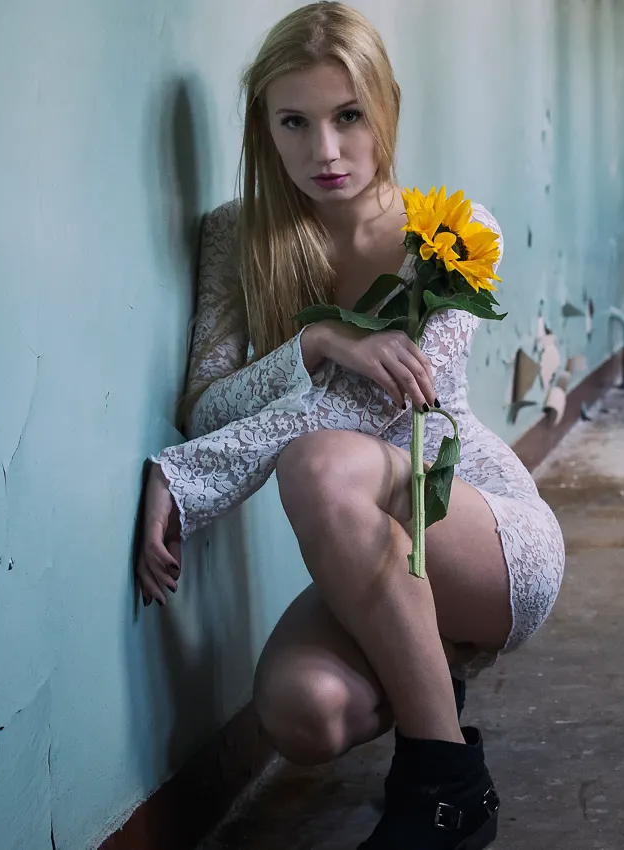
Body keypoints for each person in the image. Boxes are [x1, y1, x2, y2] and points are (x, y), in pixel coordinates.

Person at [133, 3, 566, 848]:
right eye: (294, 122)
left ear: (386, 108)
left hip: (480, 519)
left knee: (319, 463)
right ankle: (429, 676)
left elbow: (383, 412)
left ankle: (446, 784)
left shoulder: (451, 235)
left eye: (348, 117)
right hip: (371, 545)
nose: (324, 151)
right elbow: (207, 403)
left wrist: (186, 474)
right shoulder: (236, 237)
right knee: (302, 714)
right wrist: (317, 339)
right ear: (265, 125)